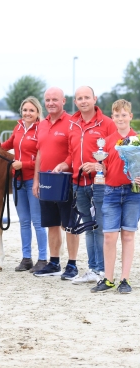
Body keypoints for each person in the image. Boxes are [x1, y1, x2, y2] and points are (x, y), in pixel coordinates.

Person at [55, 86, 116, 284]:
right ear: (76, 101)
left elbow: (115, 153)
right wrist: (64, 164)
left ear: (94, 99)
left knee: (99, 227)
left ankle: (102, 269)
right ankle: (92, 269)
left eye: (86, 97)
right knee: (88, 228)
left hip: (99, 183)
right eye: (79, 98)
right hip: (78, 183)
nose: (83, 101)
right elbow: (72, 153)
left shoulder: (107, 123)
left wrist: (99, 165)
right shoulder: (72, 123)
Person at [91, 99, 140, 293]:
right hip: (110, 191)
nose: (120, 118)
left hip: (132, 193)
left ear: (130, 116)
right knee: (109, 236)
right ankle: (108, 279)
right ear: (112, 117)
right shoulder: (107, 140)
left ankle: (125, 279)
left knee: (128, 235)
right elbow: (106, 166)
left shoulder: (136, 139)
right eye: (117, 115)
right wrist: (99, 167)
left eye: (124, 114)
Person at [32, 87, 79, 279]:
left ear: (63, 101)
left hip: (66, 181)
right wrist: (36, 180)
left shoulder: (72, 123)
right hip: (46, 181)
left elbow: (74, 151)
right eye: (48, 99)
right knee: (51, 224)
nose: (51, 103)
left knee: (69, 225)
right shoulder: (41, 124)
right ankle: (54, 262)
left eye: (55, 100)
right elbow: (40, 153)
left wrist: (64, 165)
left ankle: (72, 265)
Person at [1, 96, 47, 272]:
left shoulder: (41, 129)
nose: (27, 113)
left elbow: (43, 157)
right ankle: (26, 258)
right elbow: (6, 145)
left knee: (37, 221)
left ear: (37, 113)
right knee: (24, 222)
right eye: (25, 110)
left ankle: (42, 259)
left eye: (31, 110)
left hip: (33, 180)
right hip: (18, 180)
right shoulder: (18, 126)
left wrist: (25, 164)